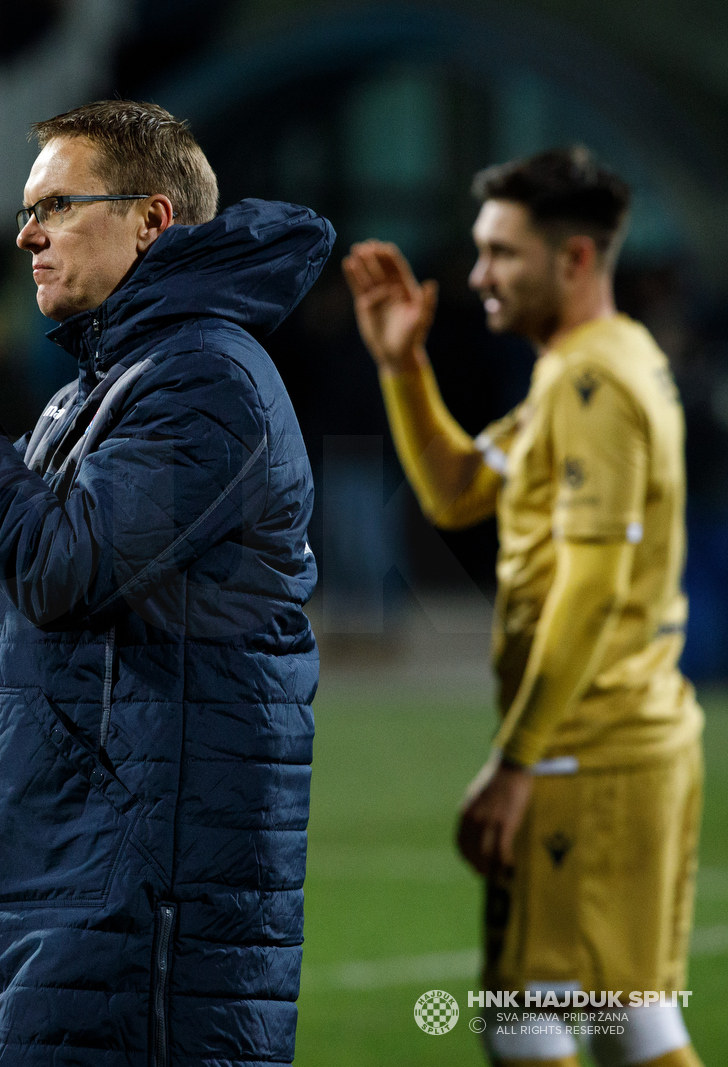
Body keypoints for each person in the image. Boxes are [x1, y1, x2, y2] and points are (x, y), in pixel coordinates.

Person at [0, 100, 329, 1066]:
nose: (28, 233)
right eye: (29, 210)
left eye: (57, 204)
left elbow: (62, 568)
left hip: (146, 905)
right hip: (76, 873)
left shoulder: (207, 381)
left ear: (152, 219)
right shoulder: (112, 380)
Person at [345, 148, 704, 1067]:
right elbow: (459, 488)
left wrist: (518, 759)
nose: (477, 276)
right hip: (619, 745)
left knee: (526, 1022)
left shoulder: (592, 386)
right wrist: (403, 367)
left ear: (574, 259)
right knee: (634, 1024)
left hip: (587, 750)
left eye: (502, 253)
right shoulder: (589, 370)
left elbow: (593, 585)